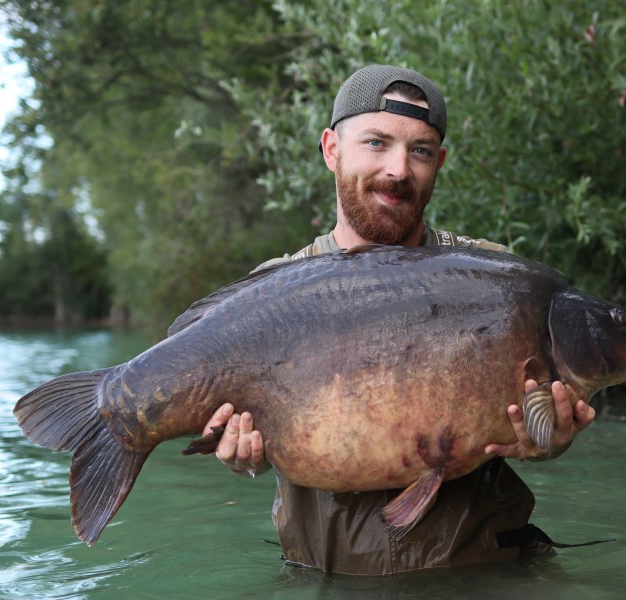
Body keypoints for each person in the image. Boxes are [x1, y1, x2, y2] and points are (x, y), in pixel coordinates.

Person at [202, 64, 596, 575]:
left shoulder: (493, 275)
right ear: (331, 149)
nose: (398, 169)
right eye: (376, 143)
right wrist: (239, 457)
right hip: (327, 578)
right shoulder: (270, 292)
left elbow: (535, 420)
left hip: (480, 575)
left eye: (421, 150)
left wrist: (546, 443)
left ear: (440, 162)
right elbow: (236, 436)